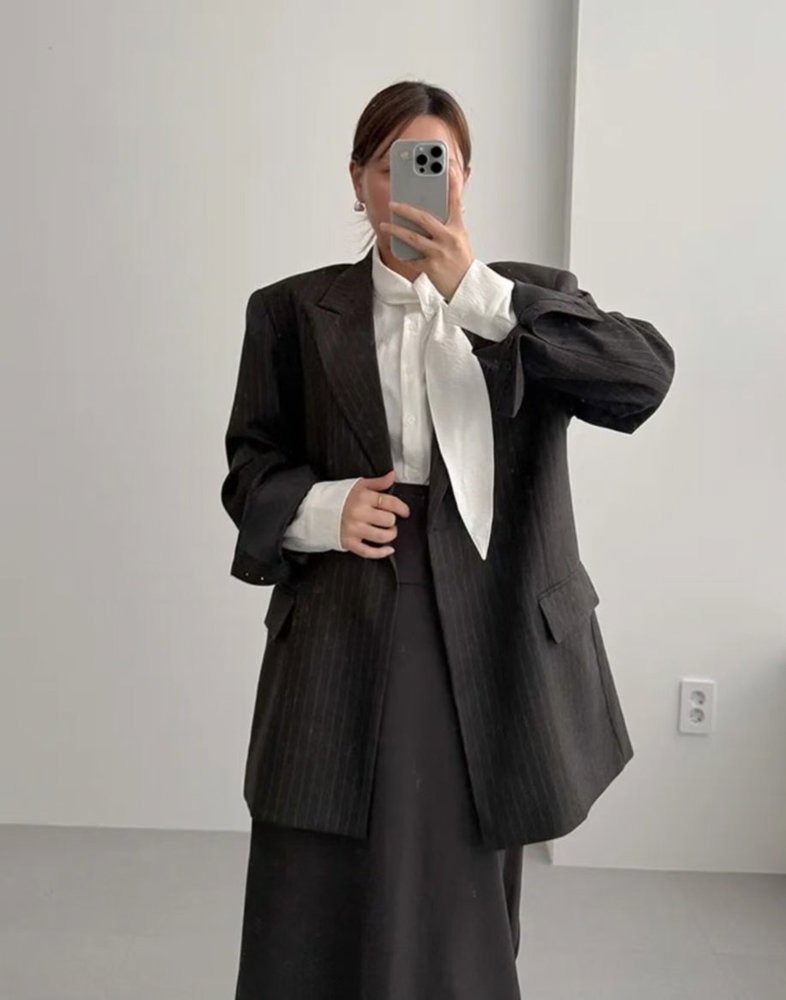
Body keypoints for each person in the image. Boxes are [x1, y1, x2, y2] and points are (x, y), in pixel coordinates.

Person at [222, 79, 675, 1000]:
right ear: (358, 179)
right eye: (392, 165)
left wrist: (481, 295)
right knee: (313, 868)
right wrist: (324, 509)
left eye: (436, 163)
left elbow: (641, 380)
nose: (414, 184)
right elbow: (250, 470)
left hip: (490, 626)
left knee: (457, 875)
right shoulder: (290, 310)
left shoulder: (531, 302)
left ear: (464, 179)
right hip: (341, 620)